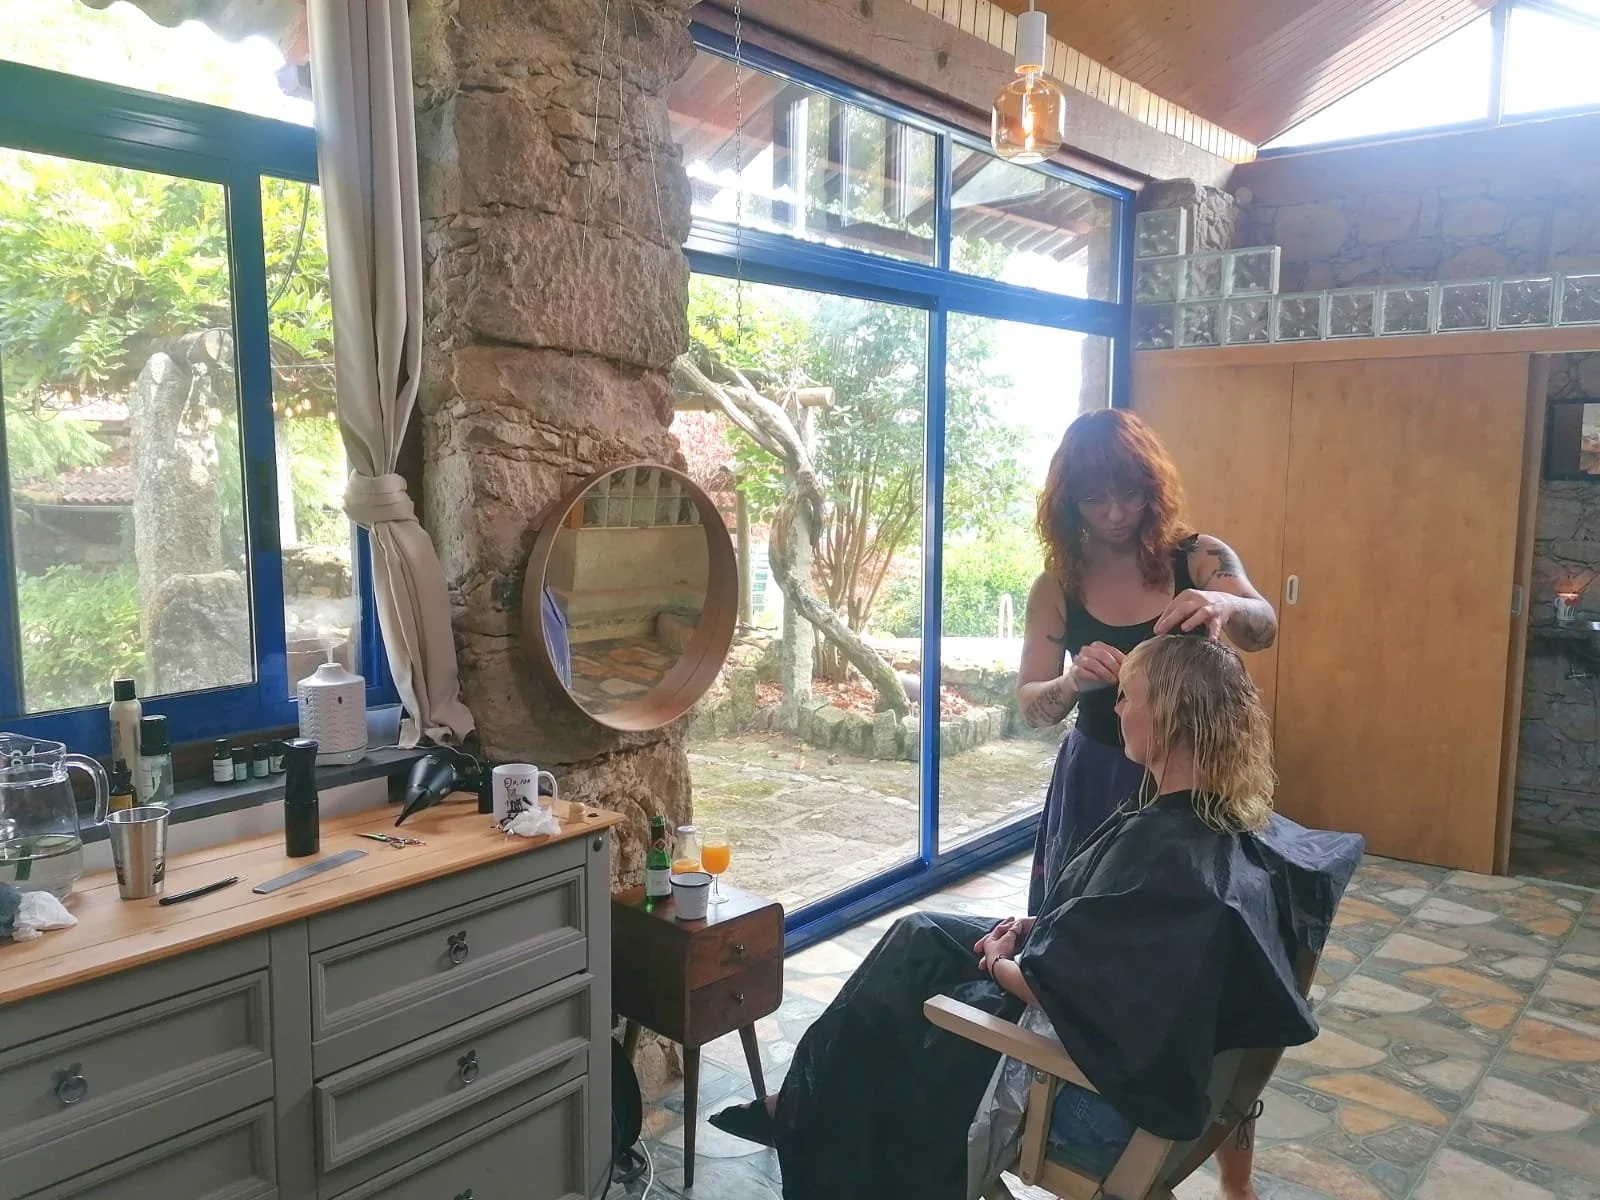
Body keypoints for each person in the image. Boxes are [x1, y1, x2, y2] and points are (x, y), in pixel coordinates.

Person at [710, 637, 1363, 1200]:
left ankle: (810, 1115)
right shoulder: (1222, 829)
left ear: (1166, 715)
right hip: (1097, 994)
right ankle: (802, 1101)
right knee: (918, 934)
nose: (1116, 709)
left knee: (905, 1020)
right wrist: (1034, 930)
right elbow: (1114, 938)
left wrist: (1003, 962)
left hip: (1078, 1077)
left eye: (1127, 696)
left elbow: (1076, 992)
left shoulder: (1174, 864)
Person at [1021, 407, 1278, 910]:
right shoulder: (1056, 588)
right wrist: (1074, 682)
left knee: (1191, 914)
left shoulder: (1199, 556)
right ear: (1069, 503)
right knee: (1084, 914)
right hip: (1098, 771)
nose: (1115, 513)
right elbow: (1031, 706)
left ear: (1152, 488)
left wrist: (1224, 602)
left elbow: (1264, 626)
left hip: (1196, 768)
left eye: (1130, 494)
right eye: (1095, 499)